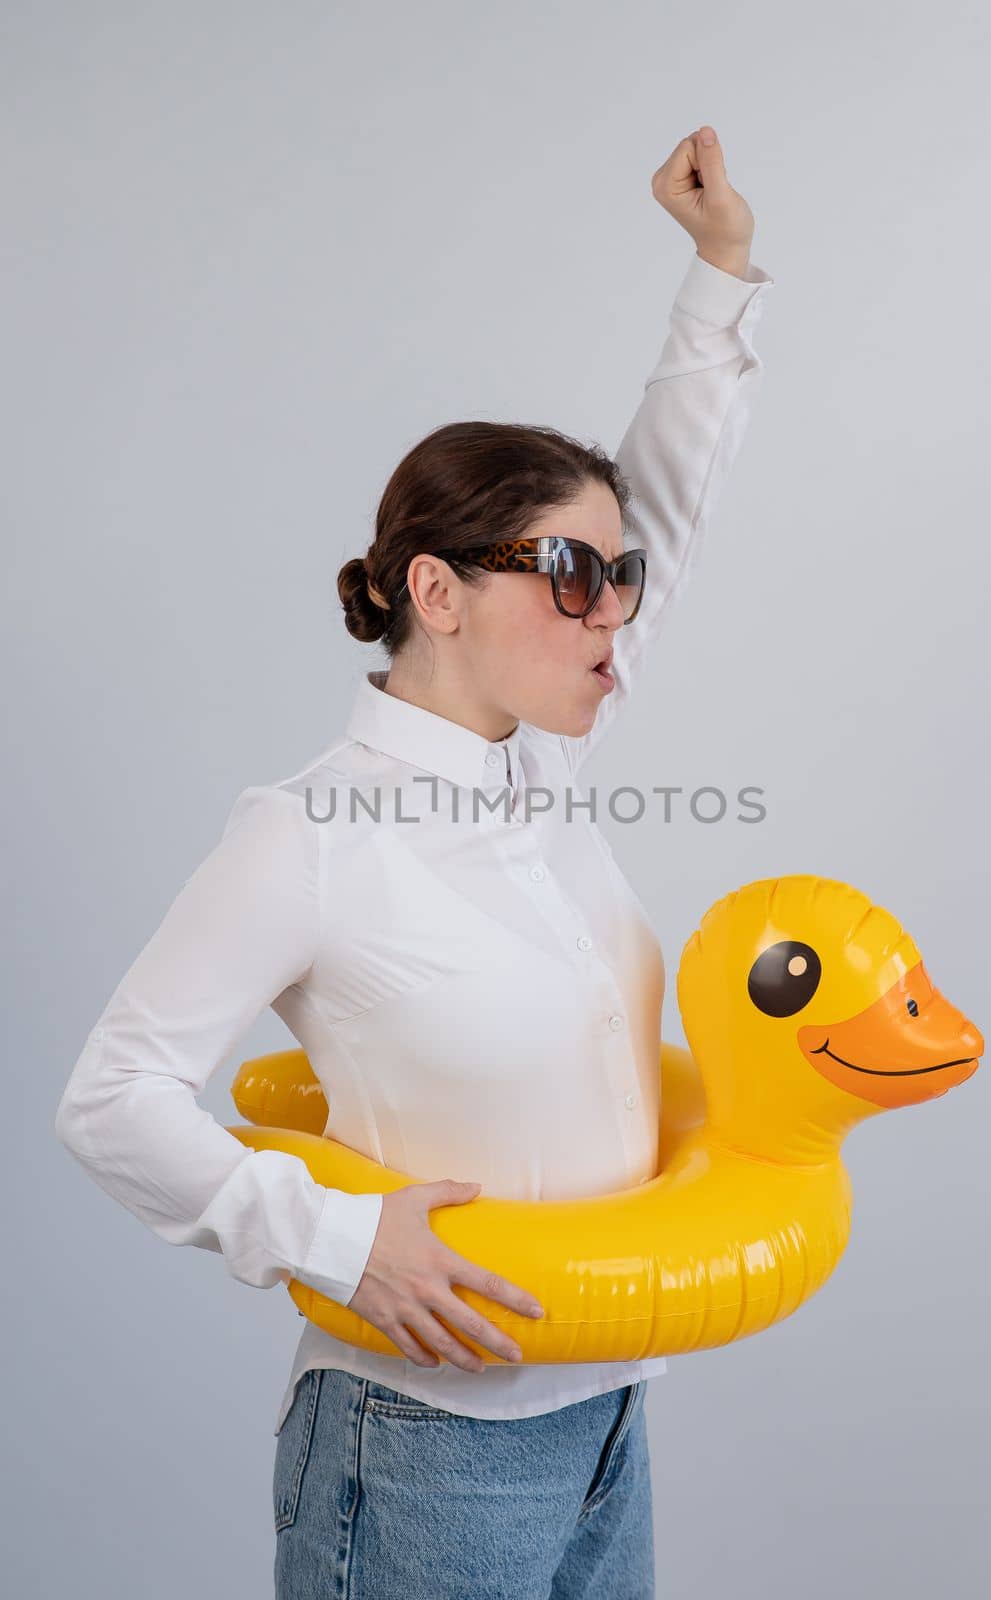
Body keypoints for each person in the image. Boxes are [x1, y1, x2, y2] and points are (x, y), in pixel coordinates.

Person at [54, 124, 773, 1598]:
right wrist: (328, 1237)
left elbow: (669, 520)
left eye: (617, 584)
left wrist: (717, 275)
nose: (614, 615)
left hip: (605, 1421)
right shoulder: (306, 833)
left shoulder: (541, 769)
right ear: (436, 592)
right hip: (420, 1448)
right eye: (575, 579)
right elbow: (109, 1099)